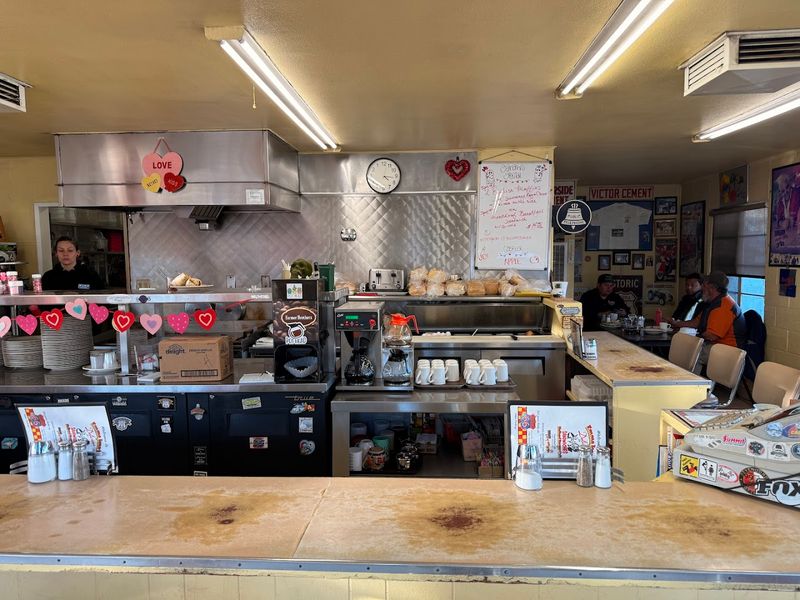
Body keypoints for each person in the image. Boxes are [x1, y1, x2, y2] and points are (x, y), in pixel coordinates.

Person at [673, 271, 746, 371]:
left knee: (693, 352)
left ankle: (692, 380)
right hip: (715, 345)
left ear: (712, 288)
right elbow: (696, 322)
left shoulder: (723, 306)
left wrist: (692, 336)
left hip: (729, 350)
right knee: (684, 346)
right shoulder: (712, 303)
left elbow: (712, 335)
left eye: (704, 285)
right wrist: (676, 323)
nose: (702, 288)